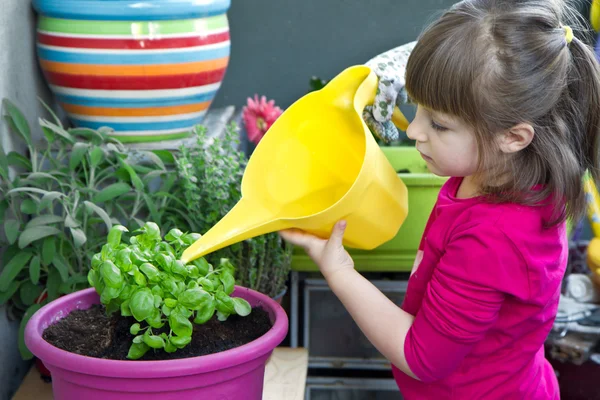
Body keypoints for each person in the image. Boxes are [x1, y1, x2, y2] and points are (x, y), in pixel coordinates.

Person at [279, 0, 600, 398]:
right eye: (419, 109)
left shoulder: (495, 240)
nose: (414, 130)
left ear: (513, 137)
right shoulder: (494, 170)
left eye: (439, 124)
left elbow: (421, 358)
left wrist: (339, 270)